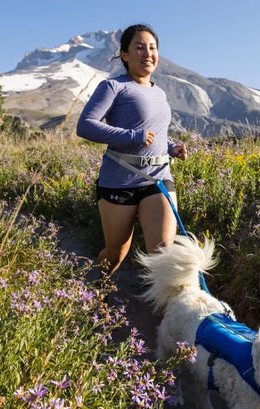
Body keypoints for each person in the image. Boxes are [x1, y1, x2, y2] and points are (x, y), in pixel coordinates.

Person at [76, 23, 188, 277]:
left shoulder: (159, 92)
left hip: (158, 178)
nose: (147, 53)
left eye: (152, 47)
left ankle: (166, 314)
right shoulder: (113, 87)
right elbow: (85, 126)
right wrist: (131, 136)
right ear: (124, 55)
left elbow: (153, 131)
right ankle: (98, 293)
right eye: (139, 47)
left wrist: (172, 147)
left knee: (162, 254)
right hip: (119, 182)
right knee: (115, 254)